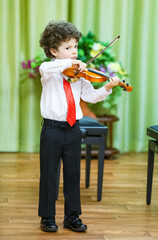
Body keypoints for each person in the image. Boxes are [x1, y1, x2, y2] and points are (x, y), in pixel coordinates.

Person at [38, 20, 119, 233]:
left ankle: (72, 216)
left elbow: (91, 97)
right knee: (49, 174)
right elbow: (49, 67)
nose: (74, 52)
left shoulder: (80, 75)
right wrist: (70, 65)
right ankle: (47, 217)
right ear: (53, 51)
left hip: (73, 128)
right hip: (52, 130)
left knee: (73, 173)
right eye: (67, 48)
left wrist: (107, 88)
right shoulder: (49, 70)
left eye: (75, 46)